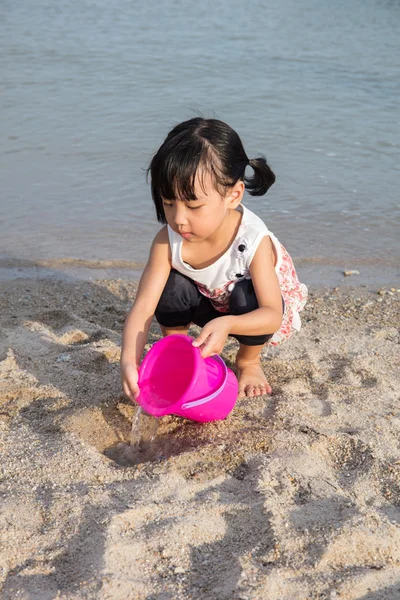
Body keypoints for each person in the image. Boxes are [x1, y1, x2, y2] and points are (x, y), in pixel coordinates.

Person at [121, 117, 307, 402]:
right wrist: (128, 361)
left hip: (250, 312)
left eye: (193, 206)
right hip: (206, 302)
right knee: (169, 287)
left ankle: (248, 362)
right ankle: (178, 350)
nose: (179, 219)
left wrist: (229, 324)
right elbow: (143, 307)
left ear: (233, 195)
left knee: (248, 295)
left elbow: (272, 315)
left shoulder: (253, 241)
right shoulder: (166, 241)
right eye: (168, 204)